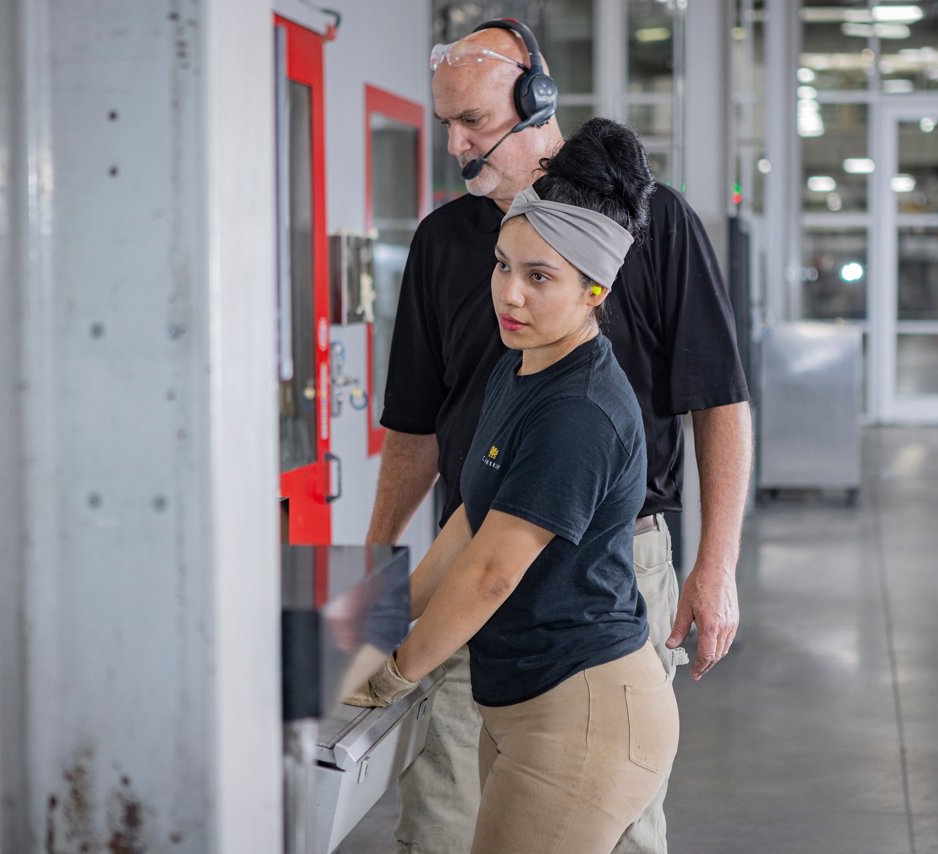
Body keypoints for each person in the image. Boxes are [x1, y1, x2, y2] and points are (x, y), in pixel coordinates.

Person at [368, 18, 753, 854]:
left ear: (538, 101)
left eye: (473, 123)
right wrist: (376, 568)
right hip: (468, 564)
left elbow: (718, 401)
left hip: (616, 566)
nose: (456, 145)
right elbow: (415, 428)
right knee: (442, 812)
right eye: (446, 126)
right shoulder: (443, 243)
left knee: (608, 817)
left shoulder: (656, 227)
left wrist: (714, 566)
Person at [349, 117, 678, 854]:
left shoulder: (581, 411)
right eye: (504, 265)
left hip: (586, 708)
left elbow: (494, 572)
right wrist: (381, 620)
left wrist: (397, 672)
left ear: (595, 291)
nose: (511, 296)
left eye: (540, 278)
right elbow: (469, 521)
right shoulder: (520, 366)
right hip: (527, 701)